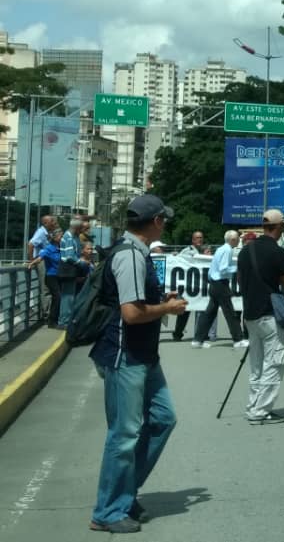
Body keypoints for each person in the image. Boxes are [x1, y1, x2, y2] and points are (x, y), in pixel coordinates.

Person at [89, 194, 187, 534]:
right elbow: (131, 314)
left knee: (163, 418)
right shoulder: (130, 257)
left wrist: (160, 301)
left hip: (141, 355)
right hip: (125, 356)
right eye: (165, 219)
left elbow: (134, 304)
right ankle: (108, 510)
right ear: (156, 221)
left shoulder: (134, 253)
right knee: (124, 434)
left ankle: (124, 493)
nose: (166, 224)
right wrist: (168, 309)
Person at [237, 209, 284, 425]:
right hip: (269, 314)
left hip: (249, 314)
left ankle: (253, 406)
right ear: (278, 228)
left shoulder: (245, 251)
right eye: (283, 227)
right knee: (274, 363)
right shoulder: (277, 252)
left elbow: (240, 281)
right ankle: (260, 411)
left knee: (256, 364)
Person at [192, 230, 247, 349]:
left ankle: (198, 340)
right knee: (230, 312)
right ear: (232, 240)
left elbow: (214, 269)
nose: (239, 240)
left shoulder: (221, 249)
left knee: (209, 313)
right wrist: (237, 268)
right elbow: (223, 269)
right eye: (238, 238)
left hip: (214, 283)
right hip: (221, 284)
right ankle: (238, 339)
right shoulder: (227, 250)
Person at [172, 230, 212, 341]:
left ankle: (202, 334)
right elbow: (179, 261)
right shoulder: (187, 251)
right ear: (193, 240)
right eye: (197, 238)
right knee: (185, 310)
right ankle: (177, 333)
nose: (200, 240)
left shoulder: (203, 251)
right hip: (189, 285)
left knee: (202, 308)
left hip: (200, 285)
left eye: (201, 237)